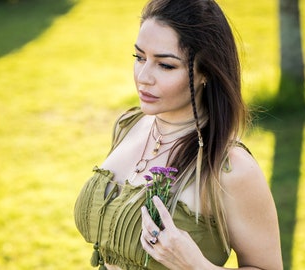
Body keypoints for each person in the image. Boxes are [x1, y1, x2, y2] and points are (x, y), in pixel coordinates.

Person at [74, 0, 283, 269]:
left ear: (205, 71)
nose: (143, 76)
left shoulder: (229, 169)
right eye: (139, 57)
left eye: (166, 65)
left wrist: (194, 265)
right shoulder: (129, 125)